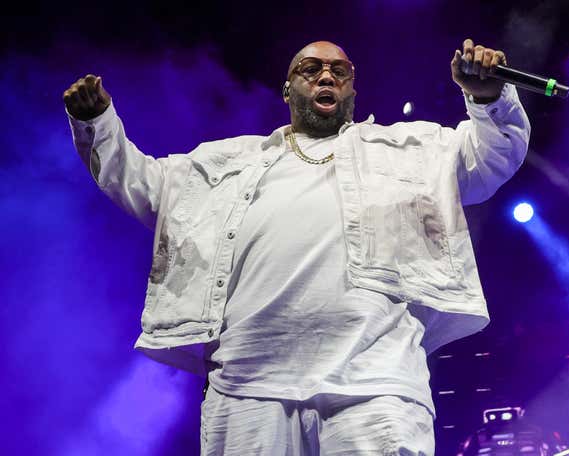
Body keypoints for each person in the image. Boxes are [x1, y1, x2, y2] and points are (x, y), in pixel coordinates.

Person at [63, 39, 530, 455]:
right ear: (288, 90)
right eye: (310, 69)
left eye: (339, 71)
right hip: (248, 388)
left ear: (351, 89)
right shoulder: (229, 163)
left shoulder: (408, 149)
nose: (326, 75)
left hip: (374, 382)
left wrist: (487, 97)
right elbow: (141, 183)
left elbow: (490, 158)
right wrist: (97, 123)